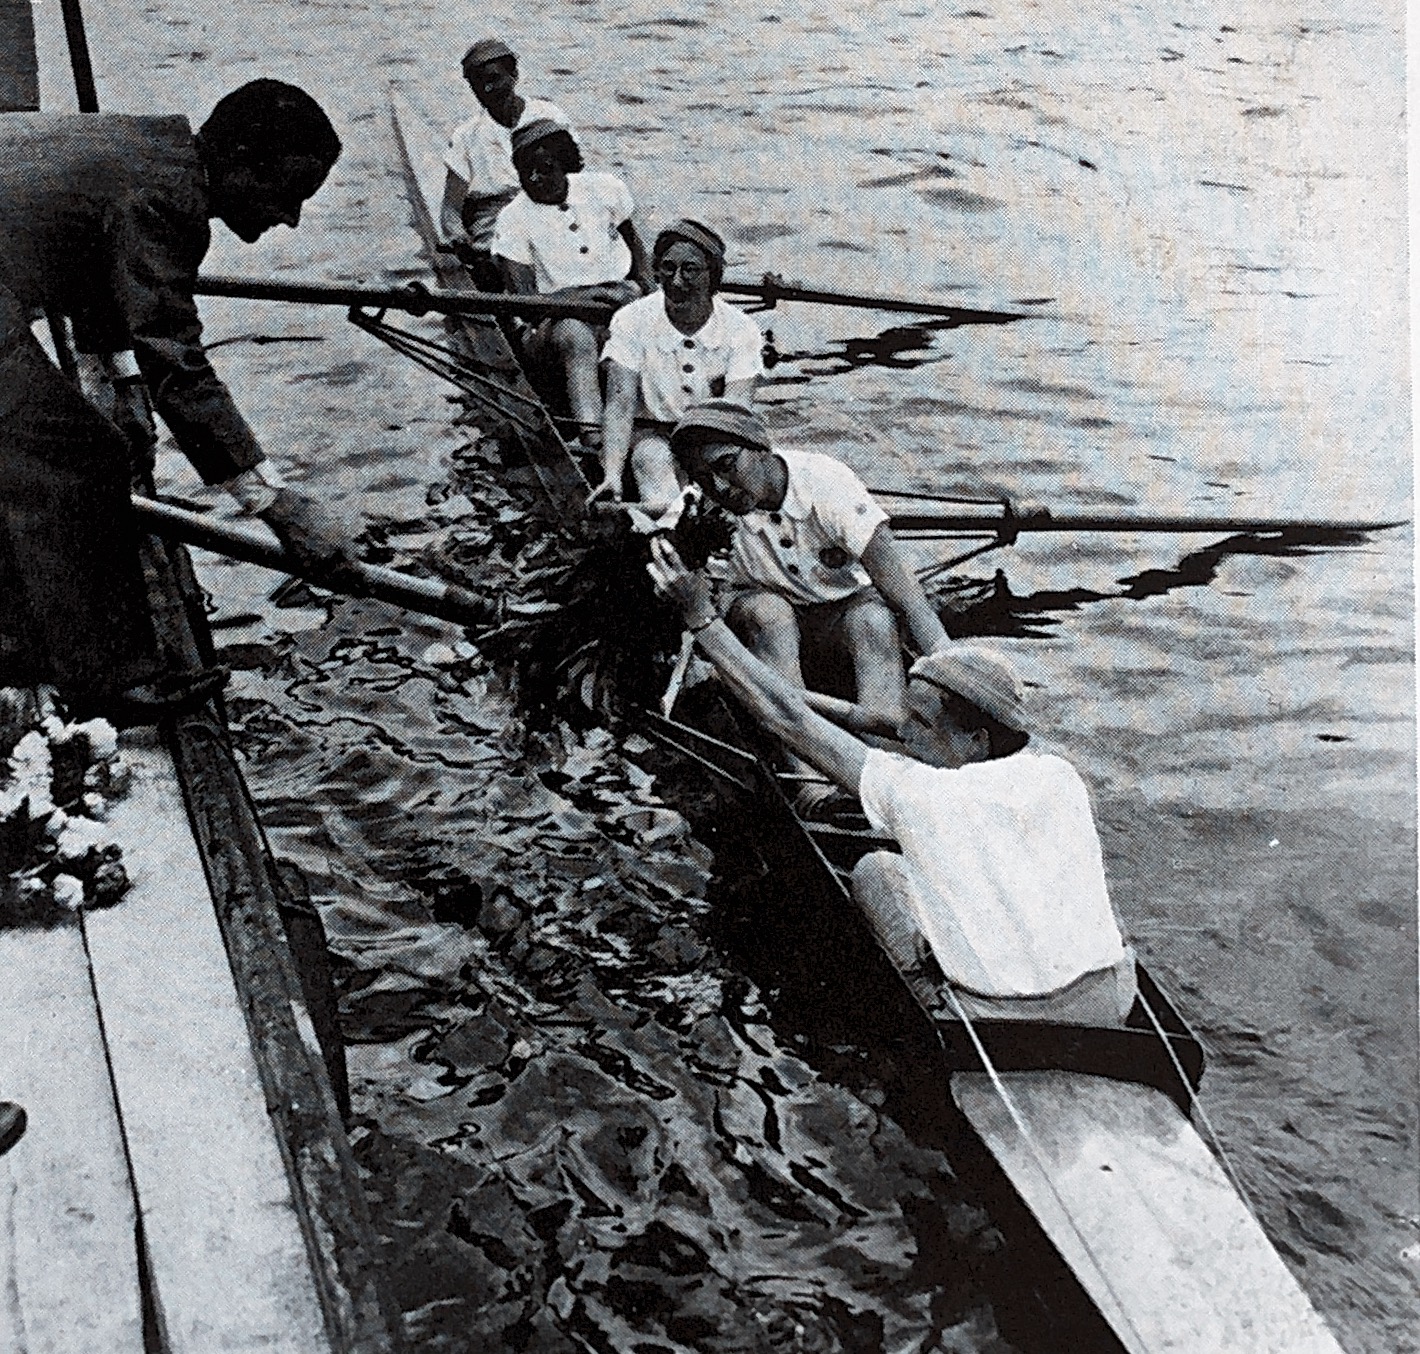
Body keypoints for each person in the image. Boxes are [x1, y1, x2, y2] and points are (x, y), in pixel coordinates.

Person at [648, 532, 1138, 1027]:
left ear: (977, 739)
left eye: (922, 723)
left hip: (984, 1014)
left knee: (877, 869)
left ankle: (931, 1004)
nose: (903, 732)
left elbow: (786, 719)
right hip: (1111, 1003)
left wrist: (702, 620)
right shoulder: (1061, 776)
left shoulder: (917, 791)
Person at [0, 79, 356, 725]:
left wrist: (122, 384)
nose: (291, 217)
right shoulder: (168, 200)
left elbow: (93, 263)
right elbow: (180, 367)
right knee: (77, 458)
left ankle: (18, 640)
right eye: (288, 193)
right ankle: (112, 681)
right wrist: (276, 505)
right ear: (241, 160)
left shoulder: (152, 149)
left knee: (39, 445)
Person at [668, 400, 950, 811]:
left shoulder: (828, 484)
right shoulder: (700, 510)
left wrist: (958, 677)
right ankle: (810, 783)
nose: (720, 488)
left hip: (839, 620)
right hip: (766, 625)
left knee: (874, 618)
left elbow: (910, 602)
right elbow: (664, 566)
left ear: (760, 446)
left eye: (727, 465)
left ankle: (885, 769)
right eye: (704, 477)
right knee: (770, 614)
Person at [492, 119, 650, 441]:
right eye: (526, 172)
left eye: (545, 168)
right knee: (577, 335)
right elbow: (526, 305)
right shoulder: (512, 219)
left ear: (564, 164)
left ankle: (655, 424)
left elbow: (639, 258)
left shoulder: (607, 190)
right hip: (551, 327)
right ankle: (593, 439)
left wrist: (643, 293)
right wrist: (582, 299)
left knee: (636, 327)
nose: (535, 179)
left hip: (613, 308)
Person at [593, 219, 763, 514]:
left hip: (714, 437)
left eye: (690, 270)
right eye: (668, 268)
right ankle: (672, 531)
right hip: (653, 434)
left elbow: (736, 412)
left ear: (713, 276)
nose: (676, 281)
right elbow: (620, 405)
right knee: (650, 459)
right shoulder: (631, 319)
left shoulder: (741, 329)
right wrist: (611, 474)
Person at [439, 37, 570, 291]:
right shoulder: (466, 136)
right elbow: (451, 210)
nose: (486, 90)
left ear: (514, 75)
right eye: (478, 84)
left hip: (546, 204)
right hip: (493, 218)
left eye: (493, 79)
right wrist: (458, 238)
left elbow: (574, 177)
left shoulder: (549, 116)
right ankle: (523, 316)